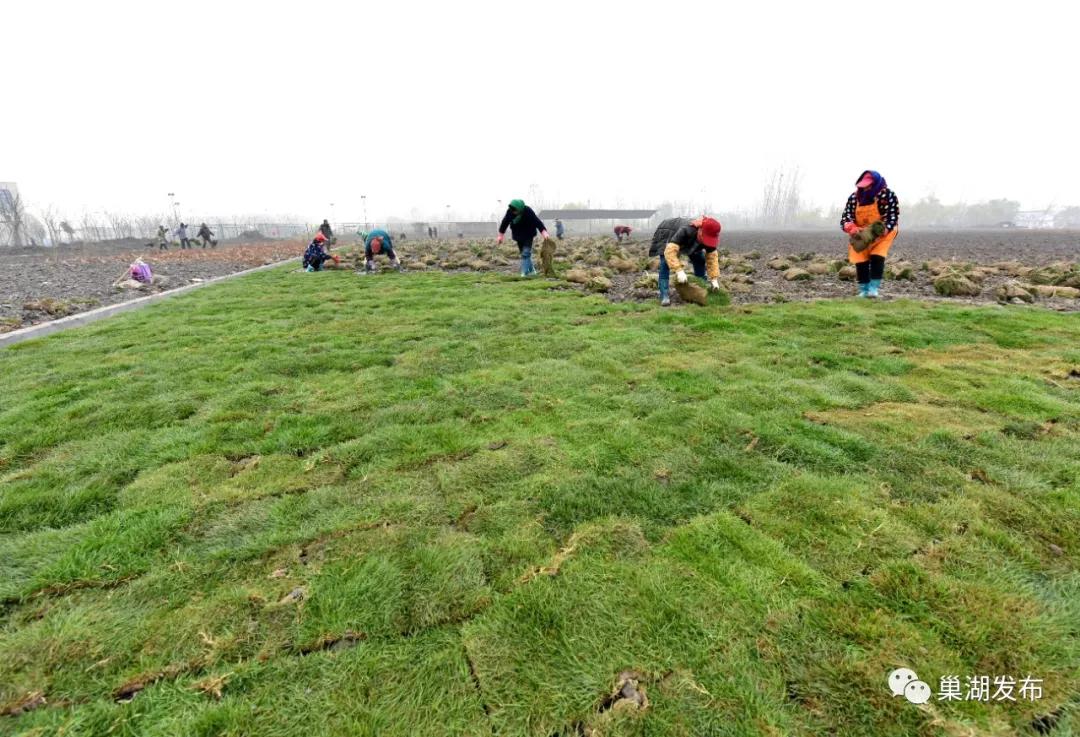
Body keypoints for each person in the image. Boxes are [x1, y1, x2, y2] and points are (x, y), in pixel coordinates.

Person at [840, 170, 899, 298]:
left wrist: (884, 229)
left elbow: (892, 216)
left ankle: (873, 289)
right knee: (860, 260)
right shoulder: (854, 198)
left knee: (877, 257)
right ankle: (864, 290)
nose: (866, 188)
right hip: (861, 234)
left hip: (882, 233)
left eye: (869, 185)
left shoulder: (887, 195)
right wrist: (851, 227)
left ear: (876, 183)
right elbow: (846, 218)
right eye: (863, 186)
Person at [648, 216, 723, 306]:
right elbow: (670, 252)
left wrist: (714, 279)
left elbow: (712, 259)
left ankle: (700, 290)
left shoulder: (710, 235)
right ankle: (664, 295)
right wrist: (679, 271)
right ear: (700, 230)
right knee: (665, 263)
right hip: (668, 232)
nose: (707, 242)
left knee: (699, 260)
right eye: (706, 238)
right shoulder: (686, 230)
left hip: (689, 240)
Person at [497, 199, 548, 277]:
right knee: (524, 254)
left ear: (520, 208)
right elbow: (505, 222)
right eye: (512, 210)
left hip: (528, 234)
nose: (514, 212)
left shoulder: (528, 211)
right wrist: (501, 235)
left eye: (515, 210)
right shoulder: (510, 211)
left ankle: (524, 273)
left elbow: (537, 221)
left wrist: (543, 232)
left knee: (526, 253)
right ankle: (532, 271)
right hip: (518, 235)